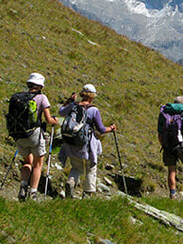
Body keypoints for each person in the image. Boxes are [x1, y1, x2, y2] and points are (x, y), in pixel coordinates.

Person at [58, 84, 116, 199]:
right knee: (91, 167)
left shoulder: (73, 106)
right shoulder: (93, 110)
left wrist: (69, 101)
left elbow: (61, 112)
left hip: (71, 142)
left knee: (76, 167)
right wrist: (111, 128)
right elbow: (101, 129)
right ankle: (88, 194)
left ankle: (71, 181)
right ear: (92, 96)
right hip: (86, 144)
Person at [16, 73, 57, 201]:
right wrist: (54, 121)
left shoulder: (20, 97)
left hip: (20, 134)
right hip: (35, 134)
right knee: (38, 164)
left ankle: (23, 186)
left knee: (27, 162)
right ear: (40, 85)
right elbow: (48, 119)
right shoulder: (42, 98)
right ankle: (33, 192)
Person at [158, 96, 183, 199]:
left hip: (168, 145)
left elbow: (160, 133)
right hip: (182, 145)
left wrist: (163, 145)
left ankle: (172, 194)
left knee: (171, 170)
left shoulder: (164, 113)